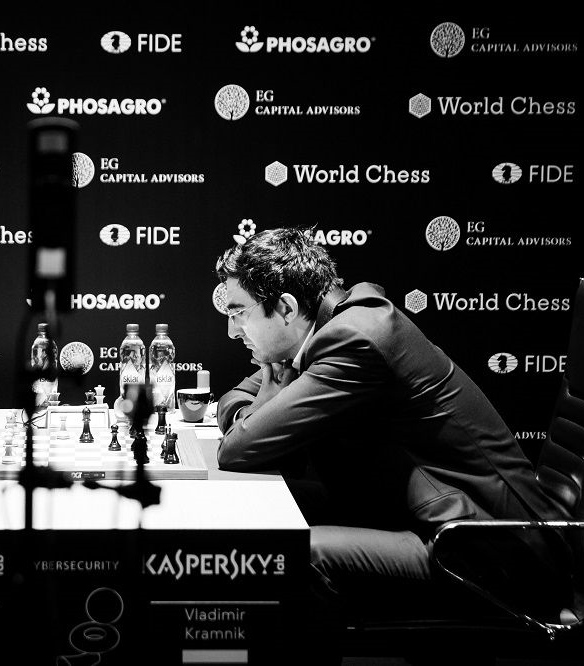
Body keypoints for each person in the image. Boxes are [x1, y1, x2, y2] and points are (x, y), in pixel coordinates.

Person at [215, 227, 570, 624]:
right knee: (266, 505)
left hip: (485, 550)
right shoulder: (319, 333)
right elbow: (233, 399)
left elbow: (237, 449)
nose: (232, 330)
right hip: (414, 516)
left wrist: (259, 407)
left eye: (238, 312)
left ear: (285, 308)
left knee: (297, 553)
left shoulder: (355, 339)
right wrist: (254, 408)